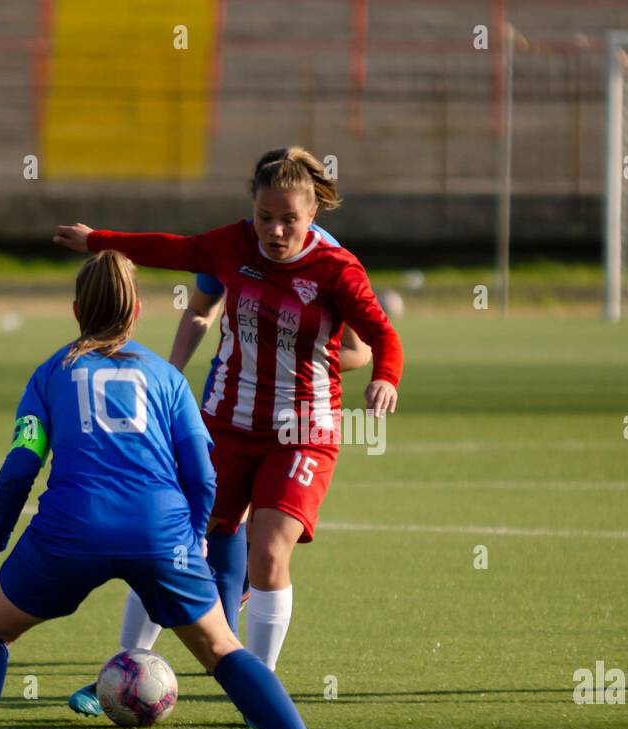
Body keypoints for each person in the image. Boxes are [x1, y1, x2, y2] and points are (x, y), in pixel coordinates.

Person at [0, 250, 342, 729]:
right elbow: (203, 474)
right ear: (138, 311)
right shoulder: (167, 379)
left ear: (75, 310)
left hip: (70, 531)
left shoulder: (50, 374)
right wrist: (190, 539)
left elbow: (21, 464)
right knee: (223, 650)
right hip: (159, 531)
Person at [54, 145, 403, 692]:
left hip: (302, 430)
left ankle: (259, 687)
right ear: (253, 209)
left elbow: (381, 335)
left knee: (268, 553)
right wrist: (97, 240)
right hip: (225, 422)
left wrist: (386, 375)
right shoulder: (231, 244)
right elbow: (171, 249)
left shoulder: (336, 267)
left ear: (311, 216)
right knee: (168, 540)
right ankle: (126, 667)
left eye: (289, 219)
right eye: (266, 217)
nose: (276, 230)